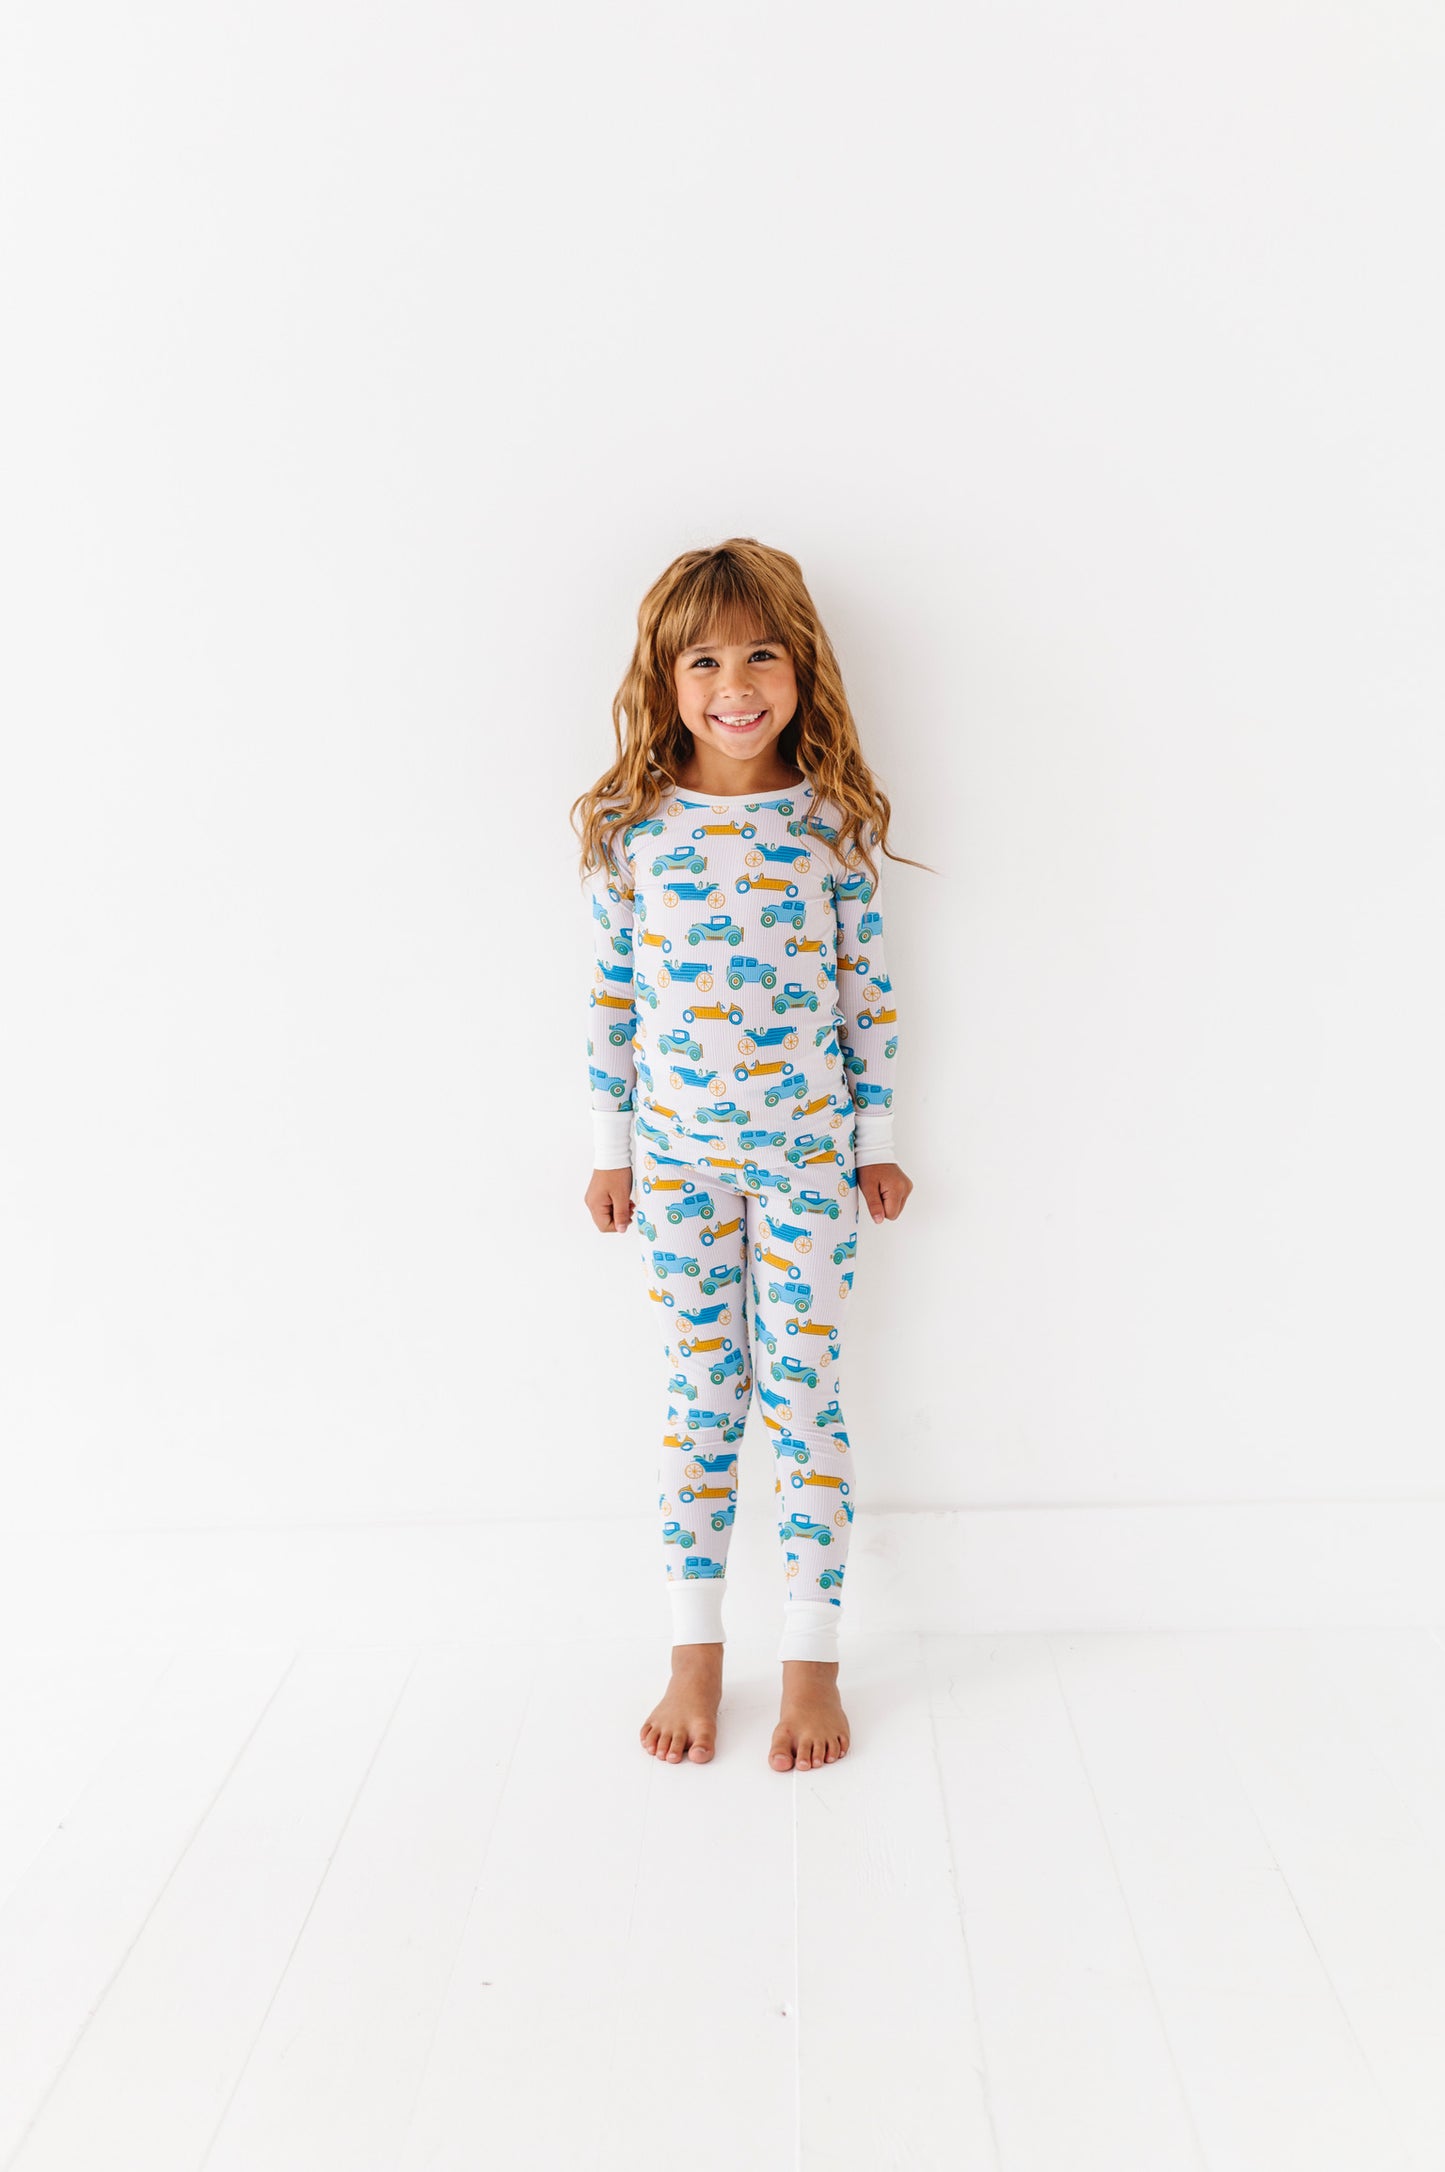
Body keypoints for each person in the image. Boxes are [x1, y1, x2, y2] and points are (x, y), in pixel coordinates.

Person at [572, 538, 920, 1773]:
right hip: (674, 1167)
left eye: (760, 654)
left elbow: (864, 995)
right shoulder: (633, 831)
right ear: (664, 680)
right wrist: (611, 1150)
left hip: (808, 1163)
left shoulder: (827, 826)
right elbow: (612, 1001)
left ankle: (812, 1661)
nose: (734, 684)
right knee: (699, 1396)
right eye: (704, 661)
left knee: (803, 1395)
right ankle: (694, 1651)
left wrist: (875, 1142)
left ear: (799, 668)